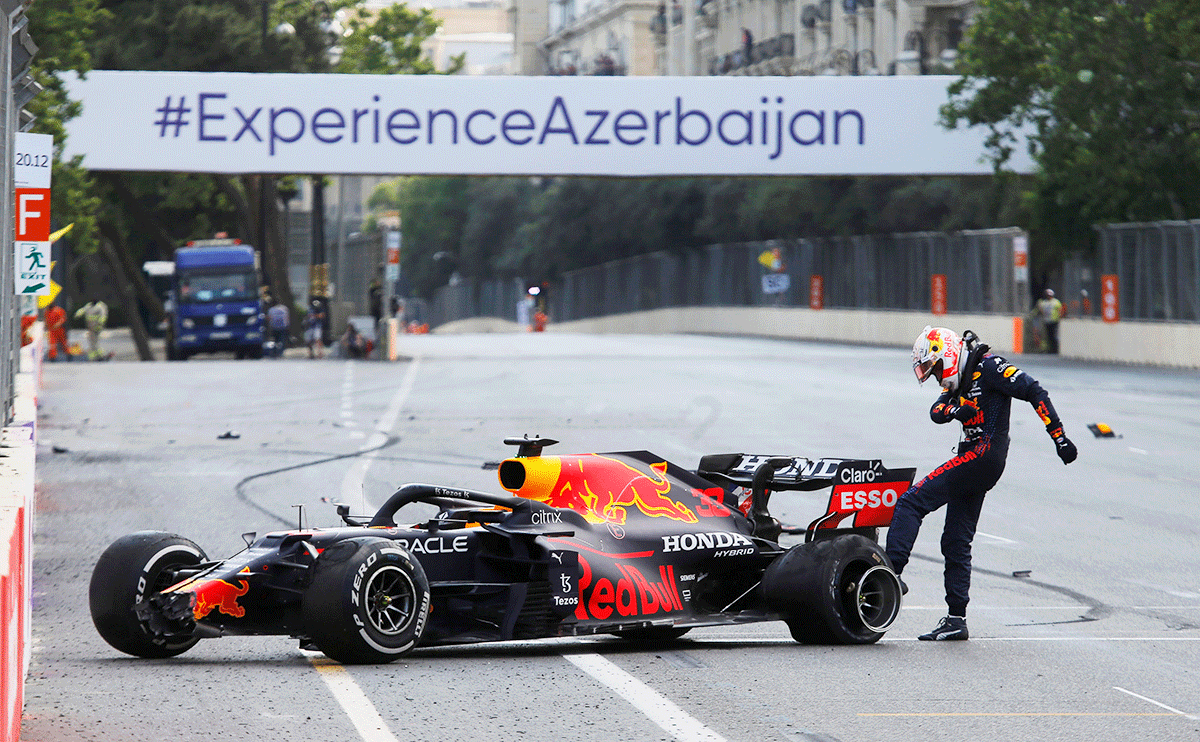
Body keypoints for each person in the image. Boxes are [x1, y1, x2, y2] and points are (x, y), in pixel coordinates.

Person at [889, 326, 1077, 641]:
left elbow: (1034, 390)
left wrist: (1059, 437)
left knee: (911, 502)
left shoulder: (989, 367)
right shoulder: (961, 376)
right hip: (976, 462)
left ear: (945, 354)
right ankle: (956, 619)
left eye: (935, 369)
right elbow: (936, 411)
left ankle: (890, 575)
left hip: (981, 458)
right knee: (955, 541)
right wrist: (954, 410)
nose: (936, 377)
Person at [1036, 288, 1065, 354]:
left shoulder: (1056, 302)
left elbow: (1060, 310)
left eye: (1050, 295)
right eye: (1047, 295)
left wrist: (1060, 317)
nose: (1049, 296)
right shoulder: (1044, 302)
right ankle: (1050, 349)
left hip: (1054, 321)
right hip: (1047, 321)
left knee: (1054, 336)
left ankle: (1055, 349)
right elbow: (1041, 310)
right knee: (1048, 336)